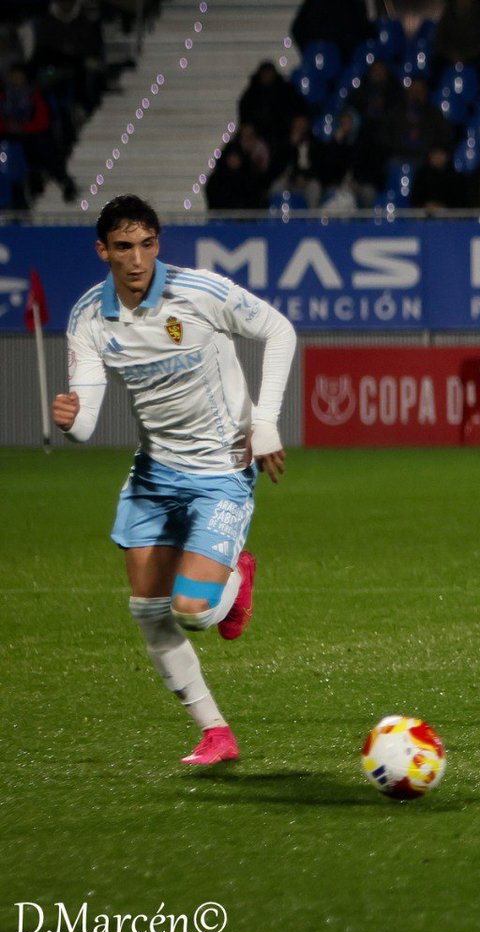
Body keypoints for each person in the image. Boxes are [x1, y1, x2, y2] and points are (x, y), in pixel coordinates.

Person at [53, 195, 297, 766]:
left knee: (192, 610)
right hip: (155, 473)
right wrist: (70, 421)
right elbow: (85, 421)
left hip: (221, 470)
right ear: (103, 251)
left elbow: (280, 331)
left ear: (157, 244)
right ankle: (215, 731)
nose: (136, 260)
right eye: (123, 248)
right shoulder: (89, 318)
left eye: (146, 245)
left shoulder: (201, 292)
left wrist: (264, 424)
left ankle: (238, 575)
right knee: (147, 608)